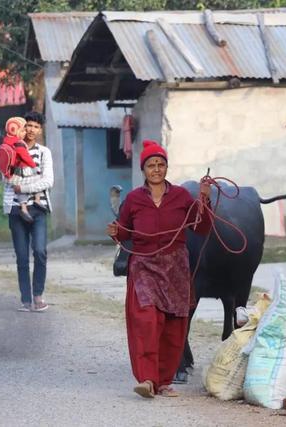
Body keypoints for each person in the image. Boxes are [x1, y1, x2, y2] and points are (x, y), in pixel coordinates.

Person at [107, 140, 212, 399]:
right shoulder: (133, 199)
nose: (156, 169)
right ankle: (147, 379)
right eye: (151, 165)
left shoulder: (180, 197)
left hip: (175, 266)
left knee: (174, 326)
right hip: (143, 265)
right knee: (146, 321)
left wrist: (205, 200)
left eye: (161, 164)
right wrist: (115, 232)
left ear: (166, 168)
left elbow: (201, 227)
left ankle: (164, 382)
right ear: (143, 170)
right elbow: (123, 230)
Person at [2, 111, 53, 312]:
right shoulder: (10, 150)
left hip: (38, 209)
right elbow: (7, 178)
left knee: (40, 251)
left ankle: (38, 295)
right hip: (15, 209)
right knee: (22, 256)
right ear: (22, 128)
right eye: (28, 126)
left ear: (40, 130)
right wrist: (34, 181)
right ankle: (26, 299)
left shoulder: (44, 153)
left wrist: (23, 187)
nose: (31, 130)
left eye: (35, 127)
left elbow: (48, 181)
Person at [0, 116, 44, 223]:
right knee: (36, 179)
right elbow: (26, 157)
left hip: (11, 173)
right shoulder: (19, 144)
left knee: (20, 189)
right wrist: (34, 166)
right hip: (20, 171)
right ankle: (36, 201)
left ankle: (24, 207)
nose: (26, 132)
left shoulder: (6, 141)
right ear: (16, 131)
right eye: (23, 130)